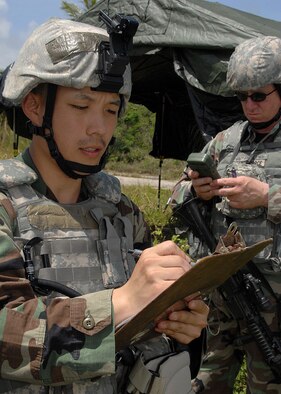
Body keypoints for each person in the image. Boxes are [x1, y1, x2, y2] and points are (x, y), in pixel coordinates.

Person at [0, 16, 209, 394]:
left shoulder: (122, 213)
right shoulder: (5, 207)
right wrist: (122, 302)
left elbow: (145, 322)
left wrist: (178, 323)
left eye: (111, 109)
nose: (99, 127)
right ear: (33, 106)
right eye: (81, 105)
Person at [170, 35, 281, 393]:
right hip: (225, 292)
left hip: (273, 301)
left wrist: (267, 196)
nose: (249, 105)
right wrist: (194, 191)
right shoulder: (225, 142)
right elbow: (176, 198)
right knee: (207, 382)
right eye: (242, 97)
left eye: (259, 95)